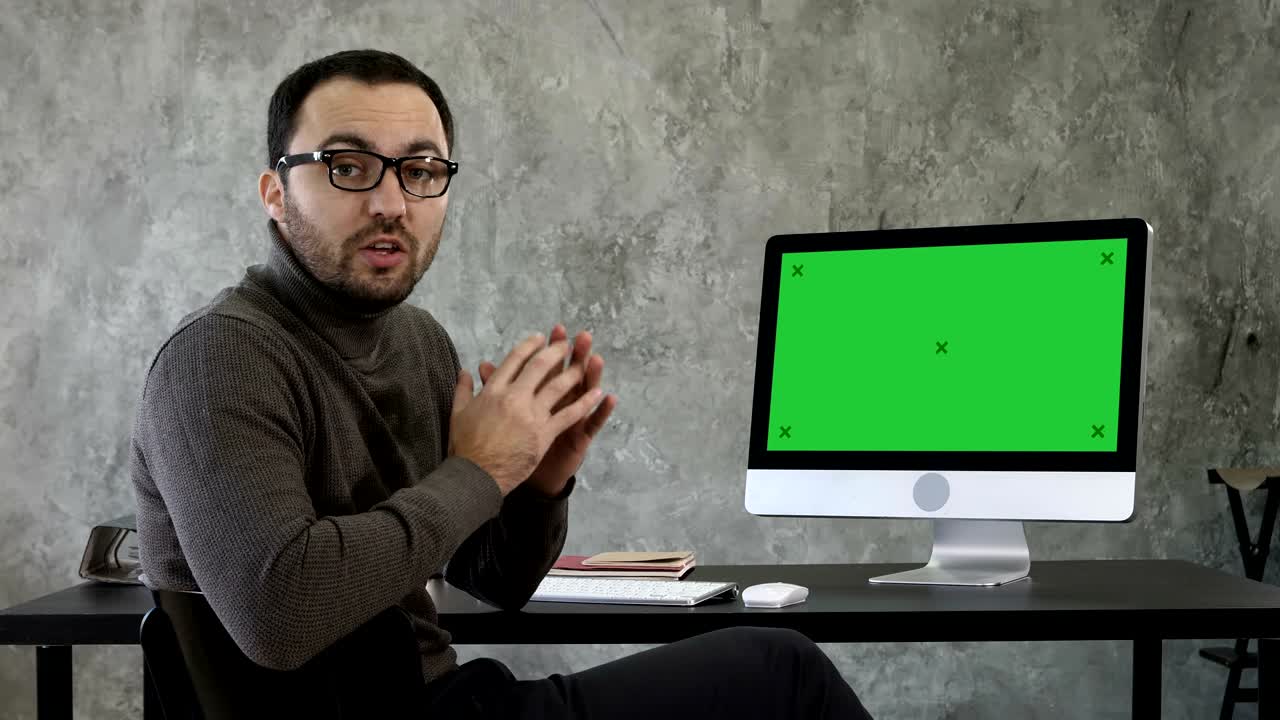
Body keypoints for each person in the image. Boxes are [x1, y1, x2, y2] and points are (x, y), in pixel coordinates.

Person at [130, 48, 874, 719]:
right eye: (348, 167)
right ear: (274, 191)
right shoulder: (218, 358)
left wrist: (533, 489)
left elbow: (491, 581)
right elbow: (277, 614)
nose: (390, 202)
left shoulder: (417, 343)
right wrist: (480, 470)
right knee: (780, 671)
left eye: (419, 171)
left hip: (443, 701)